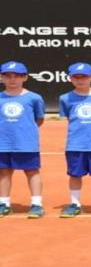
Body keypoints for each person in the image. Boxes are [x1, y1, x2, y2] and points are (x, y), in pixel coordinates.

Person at [58, 63, 91, 217]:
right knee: (75, 175)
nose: (80, 80)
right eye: (76, 77)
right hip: (75, 144)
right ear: (70, 78)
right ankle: (75, 203)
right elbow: (69, 119)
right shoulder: (65, 98)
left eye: (84, 77)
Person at [0, 61, 45, 218]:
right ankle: (4, 203)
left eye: (17, 76)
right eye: (8, 76)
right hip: (3, 144)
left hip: (26, 143)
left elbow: (39, 119)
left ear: (25, 77)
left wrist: (25, 132)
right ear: (2, 78)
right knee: (4, 172)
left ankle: (37, 204)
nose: (12, 79)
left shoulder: (34, 98)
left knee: (32, 172)